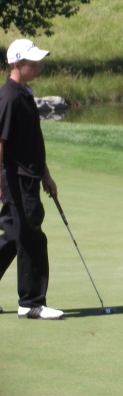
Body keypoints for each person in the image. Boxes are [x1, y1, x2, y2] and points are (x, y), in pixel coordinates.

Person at [0, 39, 63, 319]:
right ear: (17, 64)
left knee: (14, 235)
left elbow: (32, 142)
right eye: (33, 63)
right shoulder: (9, 98)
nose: (38, 67)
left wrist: (45, 175)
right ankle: (31, 303)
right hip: (16, 179)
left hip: (29, 176)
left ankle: (31, 301)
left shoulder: (24, 94)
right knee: (31, 237)